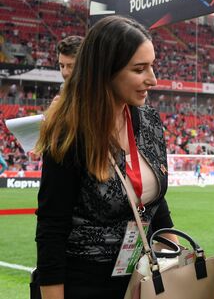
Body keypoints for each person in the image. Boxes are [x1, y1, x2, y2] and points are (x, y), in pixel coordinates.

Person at [35, 15, 176, 299]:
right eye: (139, 69)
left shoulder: (148, 120)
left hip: (140, 278)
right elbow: (51, 227)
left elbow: (151, 202)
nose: (153, 79)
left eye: (152, 66)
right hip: (83, 283)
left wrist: (173, 258)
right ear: (105, 71)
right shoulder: (70, 132)